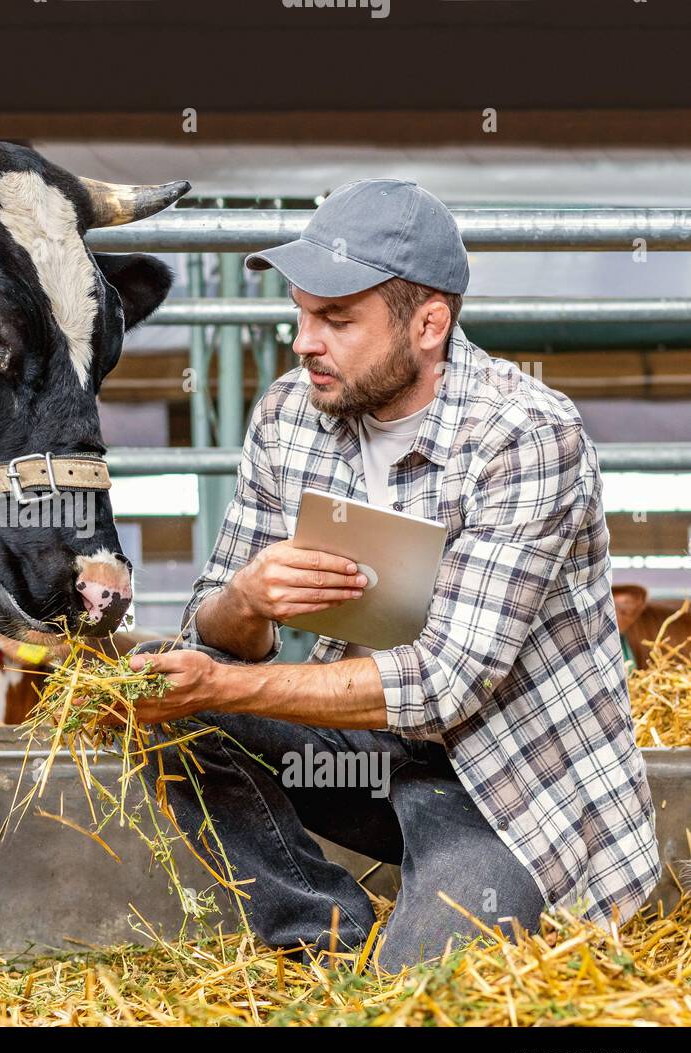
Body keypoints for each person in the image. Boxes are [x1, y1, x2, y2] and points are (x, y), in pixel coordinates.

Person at [129, 179, 660, 973]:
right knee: (163, 710)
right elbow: (212, 630)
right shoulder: (287, 415)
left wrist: (220, 685)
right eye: (303, 313)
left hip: (500, 783)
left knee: (413, 993)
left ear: (429, 324)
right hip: (360, 749)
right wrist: (244, 602)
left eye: (337, 320)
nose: (305, 341)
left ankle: (421, 920)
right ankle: (318, 932)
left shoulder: (523, 434)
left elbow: (448, 682)